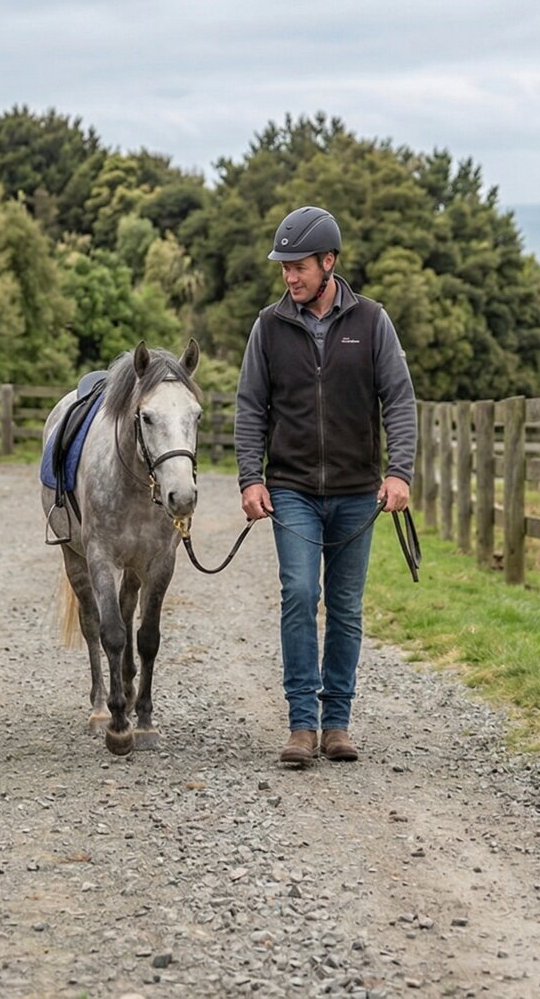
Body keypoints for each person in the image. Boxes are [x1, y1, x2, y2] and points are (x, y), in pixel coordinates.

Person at [234, 206, 416, 768]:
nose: (290, 277)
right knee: (297, 594)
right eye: (285, 268)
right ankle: (301, 725)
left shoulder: (372, 321)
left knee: (344, 605)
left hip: (357, 490)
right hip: (291, 490)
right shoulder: (268, 326)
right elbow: (250, 406)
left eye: (300, 267)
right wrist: (250, 477)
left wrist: (399, 471)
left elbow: (400, 399)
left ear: (329, 262)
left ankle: (338, 721)